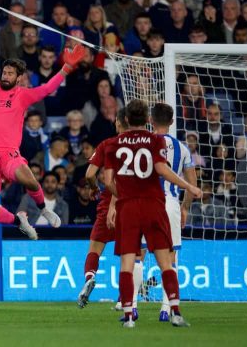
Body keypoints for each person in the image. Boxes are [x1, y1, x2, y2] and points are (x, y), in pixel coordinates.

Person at [0, 18, 85, 237]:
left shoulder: (23, 96)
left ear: (18, 78)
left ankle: (44, 209)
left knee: (29, 180)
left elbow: (46, 88)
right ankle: (19, 221)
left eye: (10, 74)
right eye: (4, 72)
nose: (5, 76)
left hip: (8, 155)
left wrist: (67, 67)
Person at [103, 99, 201, 328]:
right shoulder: (155, 141)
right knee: (166, 260)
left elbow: (107, 181)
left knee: (130, 260)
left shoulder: (113, 144)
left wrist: (122, 195)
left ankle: (129, 314)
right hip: (155, 204)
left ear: (126, 119)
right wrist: (188, 186)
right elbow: (161, 169)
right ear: (146, 118)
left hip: (128, 207)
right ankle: (173, 311)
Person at [134, 103, 197, 322]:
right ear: (171, 122)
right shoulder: (183, 148)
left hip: (145, 203)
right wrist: (185, 207)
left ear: (151, 120)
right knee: (170, 257)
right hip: (170, 203)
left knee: (138, 254)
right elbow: (192, 181)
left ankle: (132, 306)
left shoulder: (143, 145)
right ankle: (165, 307)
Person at [77, 107, 127, 309]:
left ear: (119, 123)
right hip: (133, 202)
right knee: (130, 254)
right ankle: (124, 297)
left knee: (95, 248)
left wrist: (94, 189)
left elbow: (90, 174)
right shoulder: (142, 146)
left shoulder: (107, 144)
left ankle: (90, 277)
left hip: (107, 202)